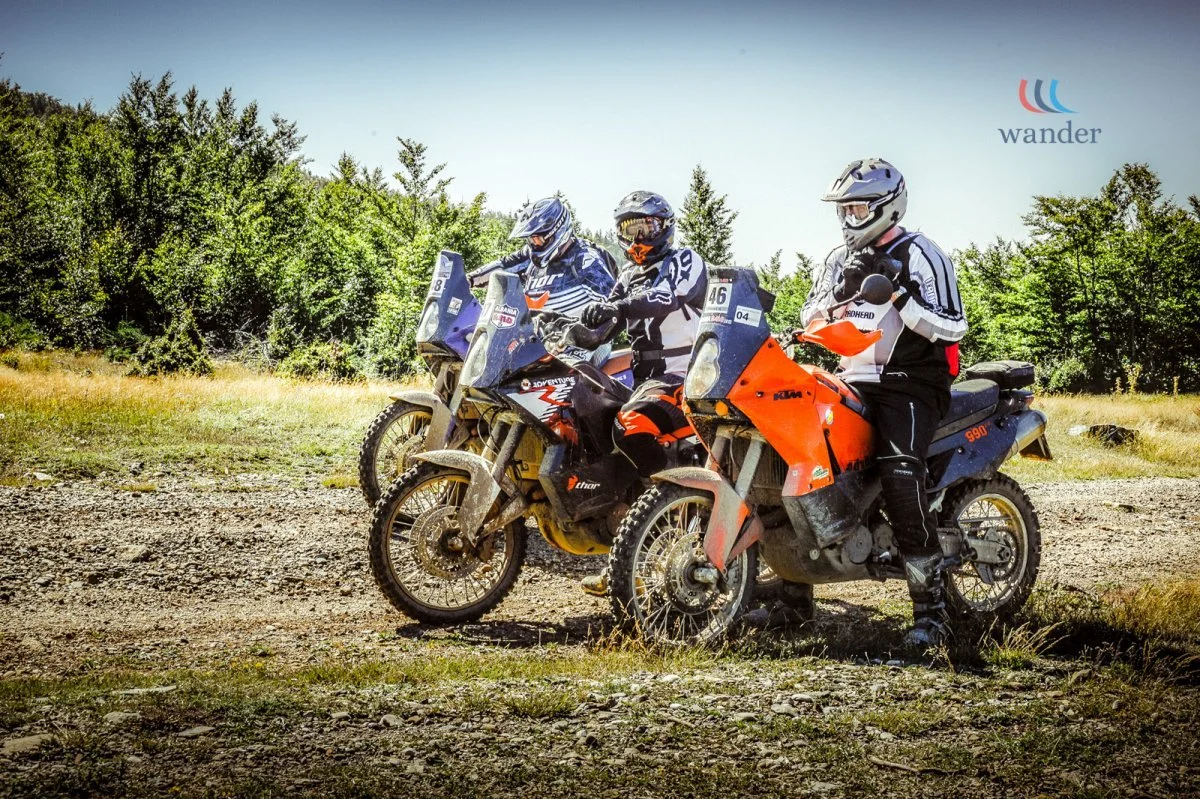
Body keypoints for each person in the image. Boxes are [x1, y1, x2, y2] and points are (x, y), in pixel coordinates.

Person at [800, 158, 968, 648]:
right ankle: (791, 597)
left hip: (911, 381)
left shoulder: (923, 252)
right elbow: (809, 315)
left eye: (857, 210)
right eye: (844, 211)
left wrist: (898, 295)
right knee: (799, 459)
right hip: (851, 377)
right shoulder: (836, 258)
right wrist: (839, 293)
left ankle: (931, 614)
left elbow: (953, 325)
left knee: (898, 469)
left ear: (886, 207)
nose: (848, 219)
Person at [577, 191, 708, 596]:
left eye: (644, 227)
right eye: (628, 228)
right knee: (585, 420)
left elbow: (665, 298)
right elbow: (602, 330)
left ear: (664, 226)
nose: (637, 237)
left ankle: (667, 504)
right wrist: (575, 324)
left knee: (630, 426)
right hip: (644, 380)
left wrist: (617, 307)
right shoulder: (627, 276)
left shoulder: (684, 260)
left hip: (689, 376)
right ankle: (627, 551)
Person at [467, 196, 616, 319]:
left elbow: (613, 306)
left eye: (538, 239)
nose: (534, 244)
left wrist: (587, 327)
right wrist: (468, 280)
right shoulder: (529, 257)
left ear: (557, 231)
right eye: (531, 239)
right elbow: (503, 266)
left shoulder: (585, 259)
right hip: (535, 345)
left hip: (582, 347)